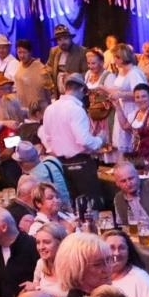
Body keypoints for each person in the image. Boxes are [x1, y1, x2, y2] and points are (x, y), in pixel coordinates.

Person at [38, 74, 106, 211]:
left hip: (59, 163)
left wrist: (54, 151)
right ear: (81, 89)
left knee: (71, 205)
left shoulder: (50, 109)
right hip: (80, 163)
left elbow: (45, 136)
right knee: (90, 206)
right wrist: (100, 139)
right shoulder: (76, 109)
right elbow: (84, 140)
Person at [26, 220, 69, 297]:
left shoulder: (73, 266)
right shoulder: (40, 263)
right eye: (38, 243)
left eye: (46, 242)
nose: (41, 247)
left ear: (60, 243)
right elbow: (36, 293)